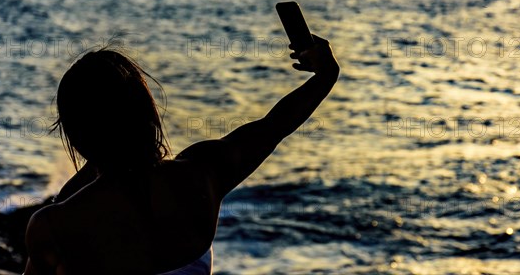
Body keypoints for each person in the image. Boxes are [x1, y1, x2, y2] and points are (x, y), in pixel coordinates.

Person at [23, 34, 339, 275]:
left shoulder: (55, 224)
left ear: (75, 134)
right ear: (146, 111)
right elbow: (274, 126)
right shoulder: (203, 173)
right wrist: (325, 76)